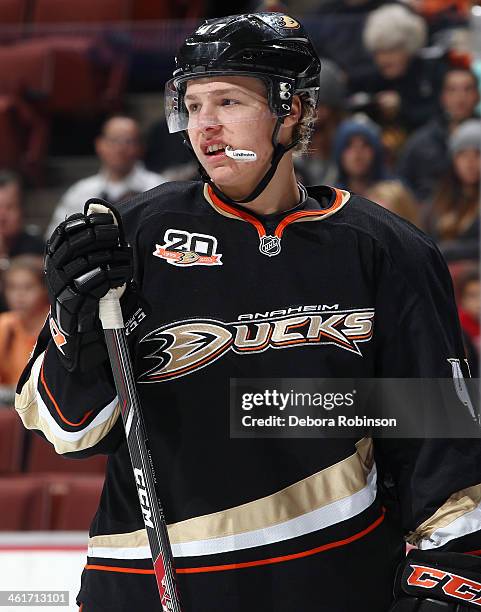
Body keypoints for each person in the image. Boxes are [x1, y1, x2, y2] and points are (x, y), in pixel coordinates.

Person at [15, 13, 481, 612]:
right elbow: (67, 432)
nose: (205, 126)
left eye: (229, 101)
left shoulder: (385, 251)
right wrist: (74, 322)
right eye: (193, 104)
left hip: (329, 585)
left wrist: (447, 577)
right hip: (140, 590)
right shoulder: (134, 234)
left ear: (291, 111)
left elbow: (438, 446)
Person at [45, 115, 165, 237]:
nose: (120, 148)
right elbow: (54, 238)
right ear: (99, 145)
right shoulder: (79, 192)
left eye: (129, 141)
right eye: (114, 140)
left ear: (141, 147)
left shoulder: (159, 189)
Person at [398, 66, 480, 203]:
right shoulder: (421, 142)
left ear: (477, 95)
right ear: (443, 97)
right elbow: (401, 184)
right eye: (452, 90)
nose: (460, 97)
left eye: (467, 89)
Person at [427, 118, 480, 259]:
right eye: (463, 154)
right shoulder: (440, 197)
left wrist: (449, 251)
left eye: (478, 154)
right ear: (453, 160)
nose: (470, 162)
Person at [0, 255, 49, 388]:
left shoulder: (56, 326)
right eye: (12, 287)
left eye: (28, 287)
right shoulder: (4, 324)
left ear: (45, 290)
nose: (19, 295)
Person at [333, 114, 390, 196]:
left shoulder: (393, 195)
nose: (358, 153)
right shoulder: (331, 199)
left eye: (365, 145)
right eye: (349, 145)